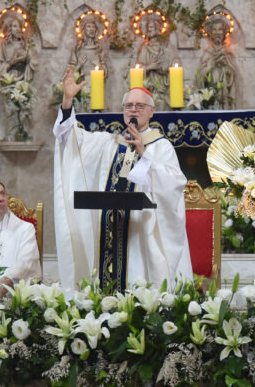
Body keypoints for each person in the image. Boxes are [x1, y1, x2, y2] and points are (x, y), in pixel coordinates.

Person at [53, 67, 192, 291]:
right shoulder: (107, 143)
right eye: (129, 106)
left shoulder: (161, 147)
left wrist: (144, 154)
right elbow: (69, 140)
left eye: (140, 106)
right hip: (110, 230)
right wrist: (68, 101)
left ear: (151, 111)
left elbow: (174, 186)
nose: (133, 110)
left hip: (141, 237)